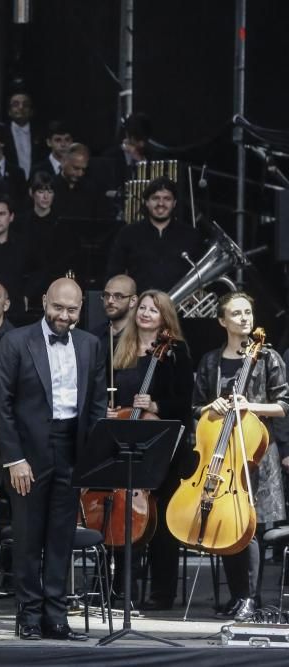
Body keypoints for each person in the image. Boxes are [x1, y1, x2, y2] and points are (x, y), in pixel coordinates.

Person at [0, 277, 107, 641]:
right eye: (58, 307)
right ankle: (28, 615)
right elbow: (1, 405)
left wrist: (92, 457)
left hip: (71, 447)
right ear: (44, 300)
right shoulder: (15, 341)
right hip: (27, 452)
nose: (64, 316)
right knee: (28, 536)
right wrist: (14, 459)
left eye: (72, 310)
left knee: (60, 536)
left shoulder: (90, 345)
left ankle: (56, 616)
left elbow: (97, 404)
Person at [190, 292, 288, 622]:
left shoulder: (269, 358)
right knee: (226, 526)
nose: (245, 318)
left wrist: (250, 406)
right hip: (222, 455)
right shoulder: (210, 362)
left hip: (257, 456)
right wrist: (210, 406)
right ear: (222, 321)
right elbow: (195, 408)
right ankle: (237, 597)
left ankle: (252, 599)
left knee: (252, 529)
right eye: (236, 313)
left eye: (248, 312)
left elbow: (284, 405)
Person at [106, 290, 192, 613]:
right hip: (126, 441)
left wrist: (156, 404)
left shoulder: (176, 352)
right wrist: (111, 410)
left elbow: (185, 401)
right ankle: (120, 589)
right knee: (121, 513)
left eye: (153, 310)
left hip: (163, 445)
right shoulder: (121, 349)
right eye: (142, 307)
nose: (144, 313)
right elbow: (109, 392)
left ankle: (161, 592)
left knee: (162, 520)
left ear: (164, 317)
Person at [106, 177, 202, 293]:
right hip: (139, 307)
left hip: (179, 309)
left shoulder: (191, 235)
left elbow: (200, 276)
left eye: (167, 199)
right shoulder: (128, 233)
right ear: (147, 202)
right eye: (155, 198)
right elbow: (114, 274)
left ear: (174, 203)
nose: (161, 203)